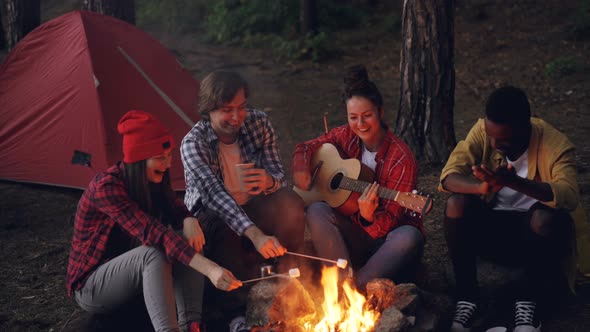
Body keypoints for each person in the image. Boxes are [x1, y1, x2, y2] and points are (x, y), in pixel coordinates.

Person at [66, 110, 242, 332]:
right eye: (160, 158)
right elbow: (155, 234)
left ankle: (191, 325)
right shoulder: (106, 189)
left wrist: (188, 218)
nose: (168, 164)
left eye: (169, 156)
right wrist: (210, 269)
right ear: (139, 161)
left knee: (184, 240)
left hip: (132, 273)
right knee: (154, 252)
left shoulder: (152, 180)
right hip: (93, 284)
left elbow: (174, 207)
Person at [440, 86, 590, 332]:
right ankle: (468, 296)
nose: (495, 144)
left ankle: (529, 304)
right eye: (492, 137)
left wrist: (515, 182)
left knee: (543, 218)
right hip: (495, 232)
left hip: (538, 239)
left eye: (504, 140)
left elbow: (569, 195)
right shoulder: (483, 131)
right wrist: (482, 187)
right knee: (456, 203)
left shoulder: (555, 145)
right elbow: (448, 176)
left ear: (525, 128)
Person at [180, 70, 306, 331]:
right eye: (227, 110)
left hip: (254, 203)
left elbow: (278, 173)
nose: (236, 117)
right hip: (212, 213)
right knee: (224, 229)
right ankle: (236, 313)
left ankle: (286, 276)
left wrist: (268, 181)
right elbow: (216, 196)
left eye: (241, 107)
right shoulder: (193, 143)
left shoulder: (258, 123)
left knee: (290, 203)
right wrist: (257, 236)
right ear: (209, 110)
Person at [291, 64, 425, 291]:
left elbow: (393, 222)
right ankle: (341, 280)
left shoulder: (401, 158)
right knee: (316, 210)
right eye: (353, 117)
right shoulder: (345, 136)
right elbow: (305, 147)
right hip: (351, 237)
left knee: (409, 235)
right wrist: (301, 169)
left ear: (380, 113)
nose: (360, 125)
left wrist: (368, 218)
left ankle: (354, 288)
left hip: (387, 244)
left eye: (367, 116)